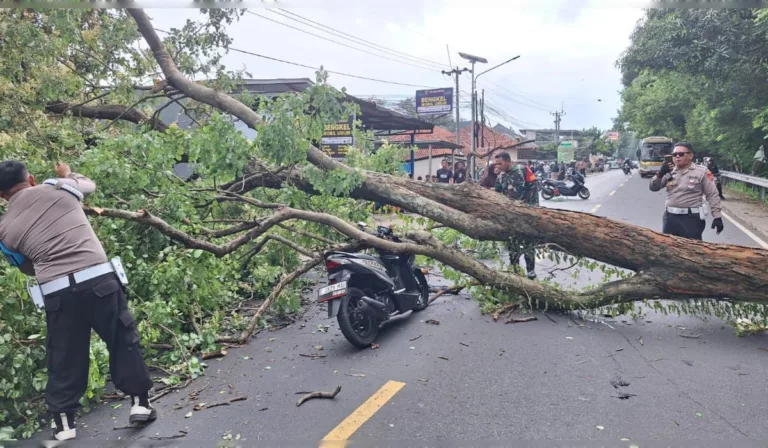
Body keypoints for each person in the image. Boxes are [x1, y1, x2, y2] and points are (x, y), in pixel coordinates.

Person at [0, 161, 156, 441]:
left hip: (57, 293)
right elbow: (89, 184)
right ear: (31, 178)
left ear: (1, 196)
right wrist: (66, 173)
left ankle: (63, 424)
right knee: (122, 338)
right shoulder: (61, 187)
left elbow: (25, 267)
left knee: (64, 355)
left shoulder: (3, 230)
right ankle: (140, 404)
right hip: (99, 281)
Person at [649, 142, 724, 240]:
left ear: (690, 155)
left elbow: (712, 194)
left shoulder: (701, 172)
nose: (677, 157)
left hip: (691, 219)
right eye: (674, 155)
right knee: (668, 250)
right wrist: (660, 173)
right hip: (670, 218)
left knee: (693, 250)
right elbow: (653, 187)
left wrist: (717, 216)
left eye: (681, 154)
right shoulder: (669, 171)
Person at [494, 153, 538, 279]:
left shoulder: (521, 171)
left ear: (508, 161)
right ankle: (515, 269)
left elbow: (525, 192)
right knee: (513, 243)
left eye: (500, 163)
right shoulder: (502, 176)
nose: (498, 166)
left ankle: (530, 270)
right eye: (496, 164)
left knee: (528, 243)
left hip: (527, 213)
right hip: (511, 215)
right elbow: (497, 192)